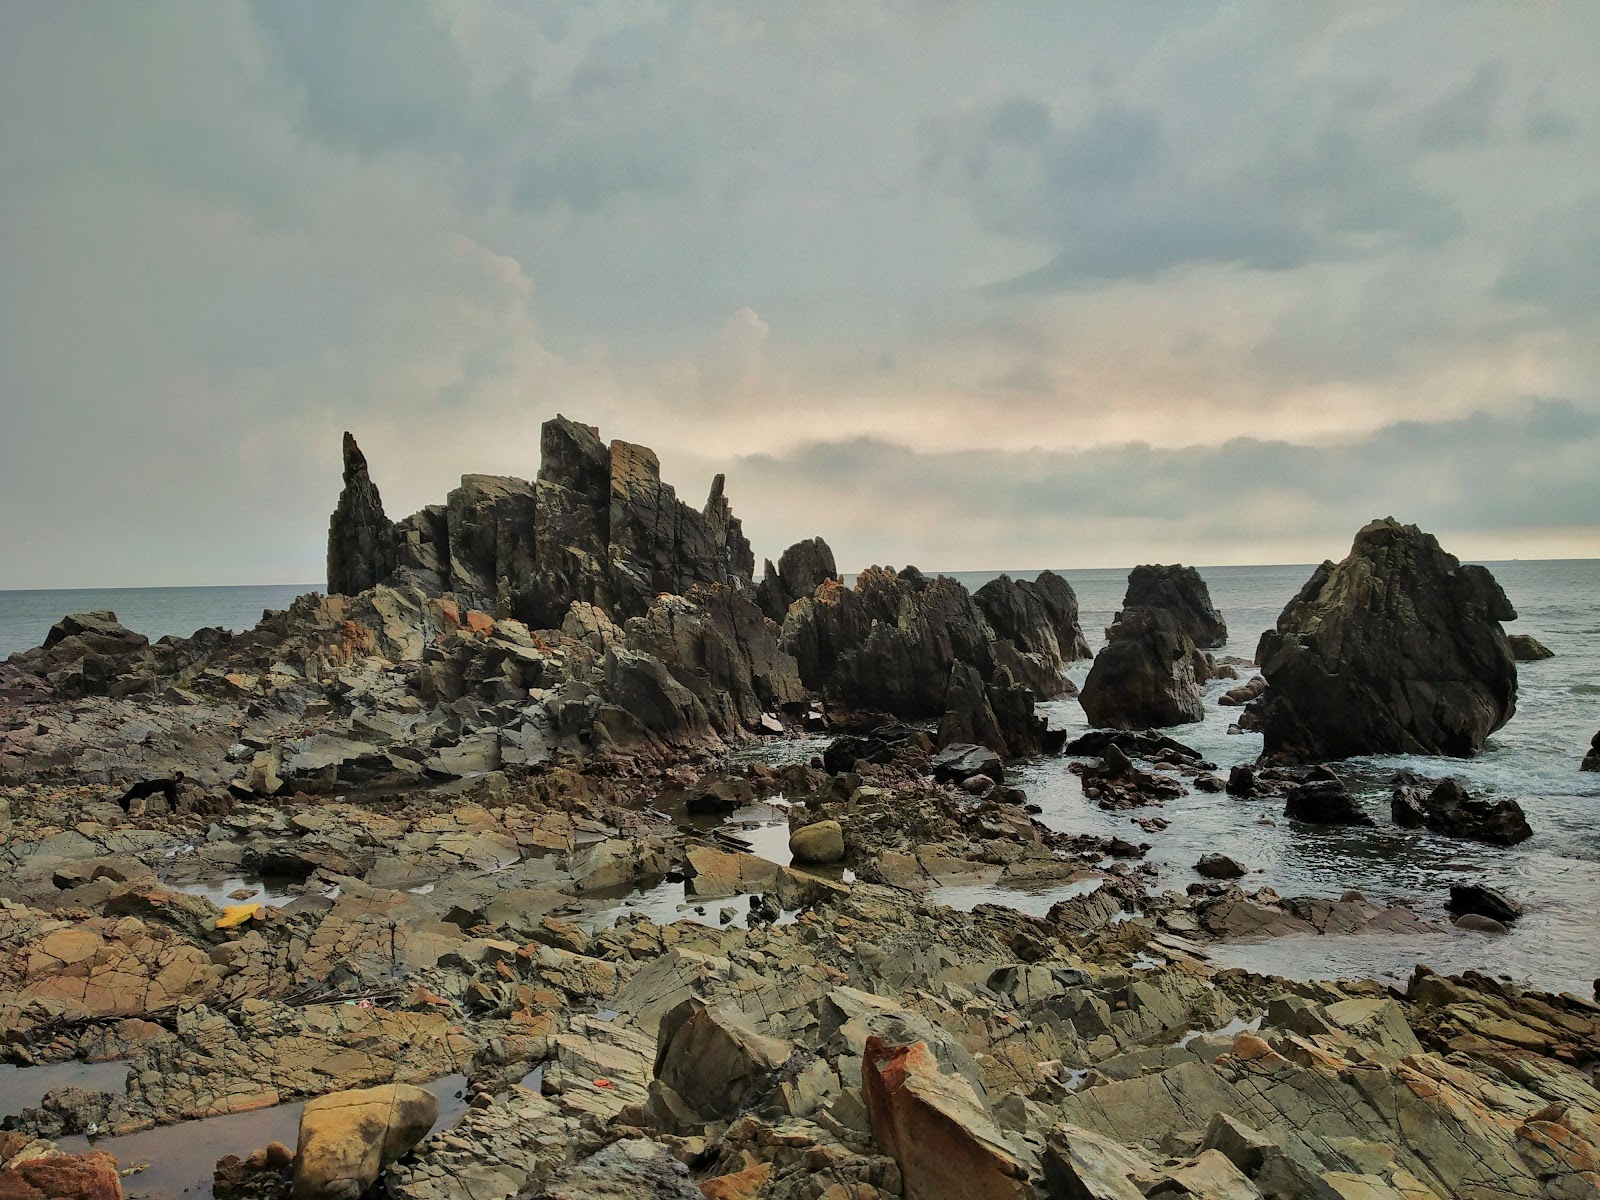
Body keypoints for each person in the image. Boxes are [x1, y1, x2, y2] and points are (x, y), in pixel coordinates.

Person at [118, 770, 184, 814]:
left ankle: (174, 813)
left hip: (167, 785)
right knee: (170, 799)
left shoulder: (136, 790)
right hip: (162, 785)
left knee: (171, 799)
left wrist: (140, 812)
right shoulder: (137, 788)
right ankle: (173, 812)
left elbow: (143, 800)